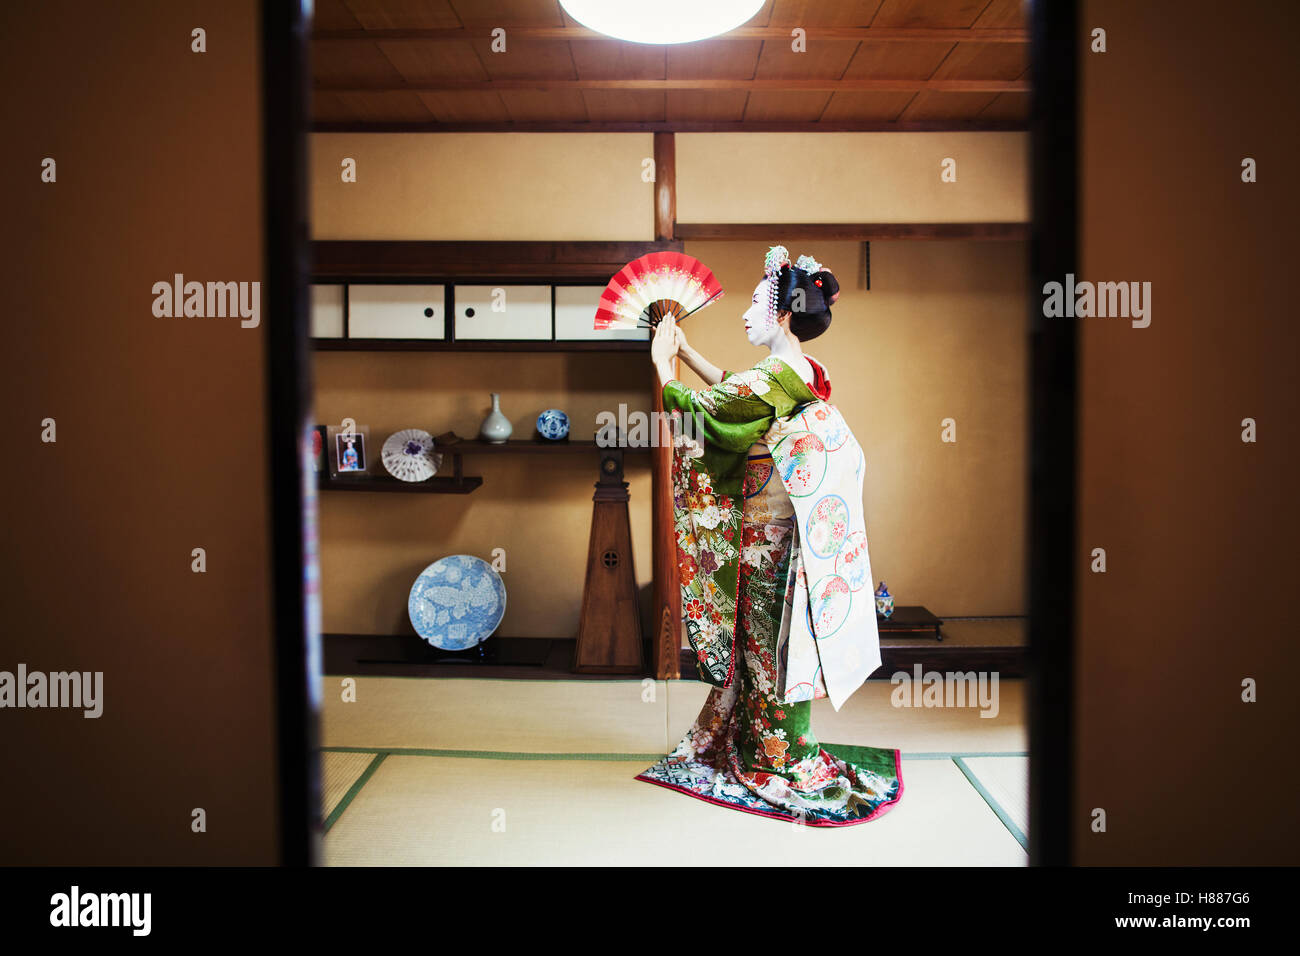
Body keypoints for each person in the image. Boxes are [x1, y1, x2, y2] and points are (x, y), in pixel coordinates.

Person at [635, 246, 903, 826]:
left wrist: (663, 369)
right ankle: (767, 744)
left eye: (755, 303)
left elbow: (710, 411)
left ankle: (777, 756)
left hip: (769, 539)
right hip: (788, 535)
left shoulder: (773, 376)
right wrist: (688, 350)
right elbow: (741, 402)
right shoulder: (800, 372)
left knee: (768, 651)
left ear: (783, 313)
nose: (744, 315)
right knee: (775, 649)